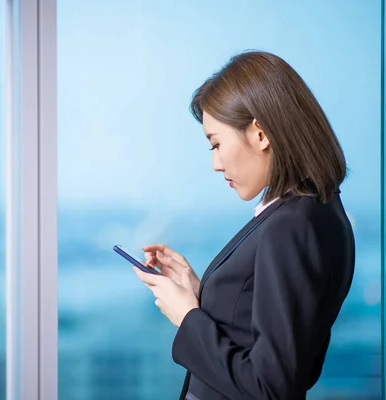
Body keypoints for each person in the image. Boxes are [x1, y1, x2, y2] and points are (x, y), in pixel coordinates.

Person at [133, 50, 355, 400]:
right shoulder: (315, 214)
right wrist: (200, 294)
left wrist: (187, 317)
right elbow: (265, 336)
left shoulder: (291, 226)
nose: (215, 164)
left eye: (216, 144)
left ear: (260, 134)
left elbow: (270, 387)